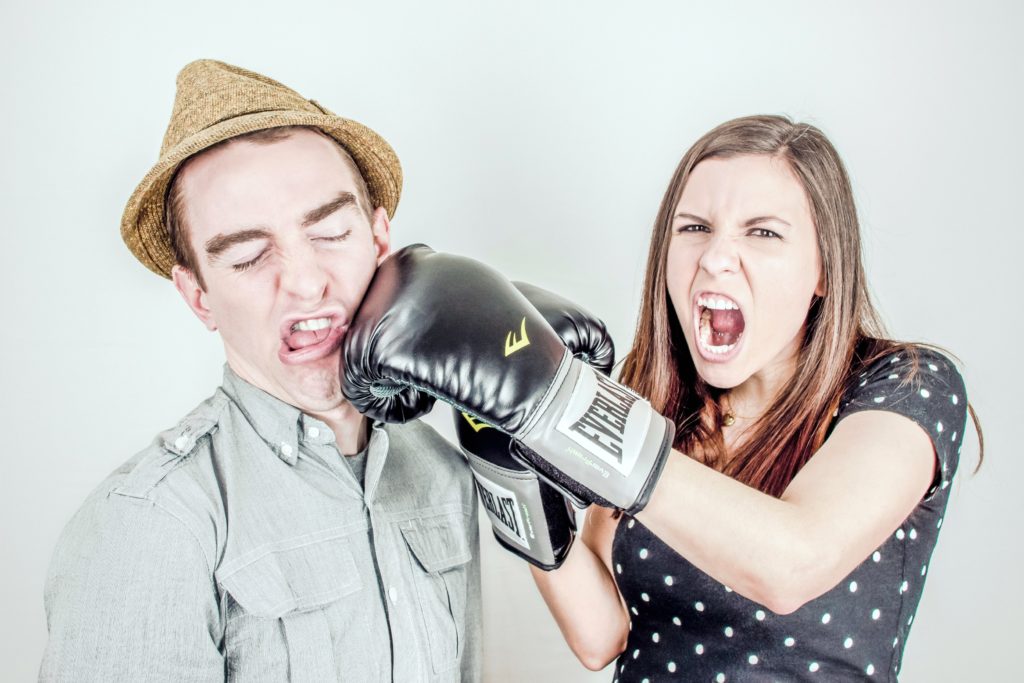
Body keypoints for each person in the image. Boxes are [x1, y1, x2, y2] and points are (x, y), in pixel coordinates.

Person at [339, 115, 981, 682]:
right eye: (695, 227)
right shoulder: (653, 397)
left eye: (763, 233)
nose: (715, 258)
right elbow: (601, 636)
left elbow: (792, 563)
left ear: (823, 269)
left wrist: (564, 406)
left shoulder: (905, 385)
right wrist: (502, 452)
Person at [39, 59, 481, 682]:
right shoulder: (149, 524)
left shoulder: (441, 471)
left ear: (380, 241)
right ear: (198, 297)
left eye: (330, 232)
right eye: (248, 256)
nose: (304, 282)